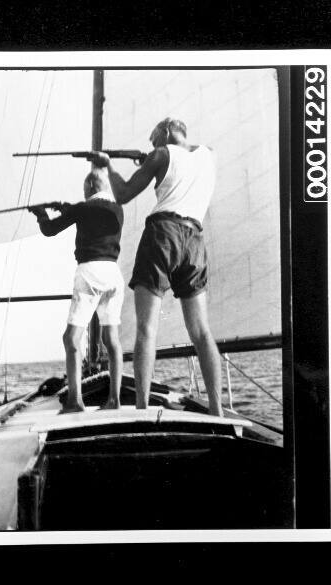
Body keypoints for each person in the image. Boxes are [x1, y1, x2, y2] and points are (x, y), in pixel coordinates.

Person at [91, 118, 223, 416]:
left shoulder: (161, 154)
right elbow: (181, 169)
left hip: (163, 235)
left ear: (164, 132)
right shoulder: (209, 154)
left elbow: (122, 194)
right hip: (195, 241)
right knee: (202, 331)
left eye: (154, 140)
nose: (153, 146)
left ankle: (141, 408)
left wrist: (107, 166)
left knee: (146, 329)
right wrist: (150, 162)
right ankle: (217, 409)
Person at [30, 168, 124, 413]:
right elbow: (93, 214)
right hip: (113, 274)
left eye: (85, 189)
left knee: (71, 339)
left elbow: (49, 230)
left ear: (90, 187)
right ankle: (114, 400)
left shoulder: (81, 209)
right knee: (111, 340)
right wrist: (70, 208)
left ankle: (75, 401)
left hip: (90, 273)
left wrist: (41, 214)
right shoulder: (116, 209)